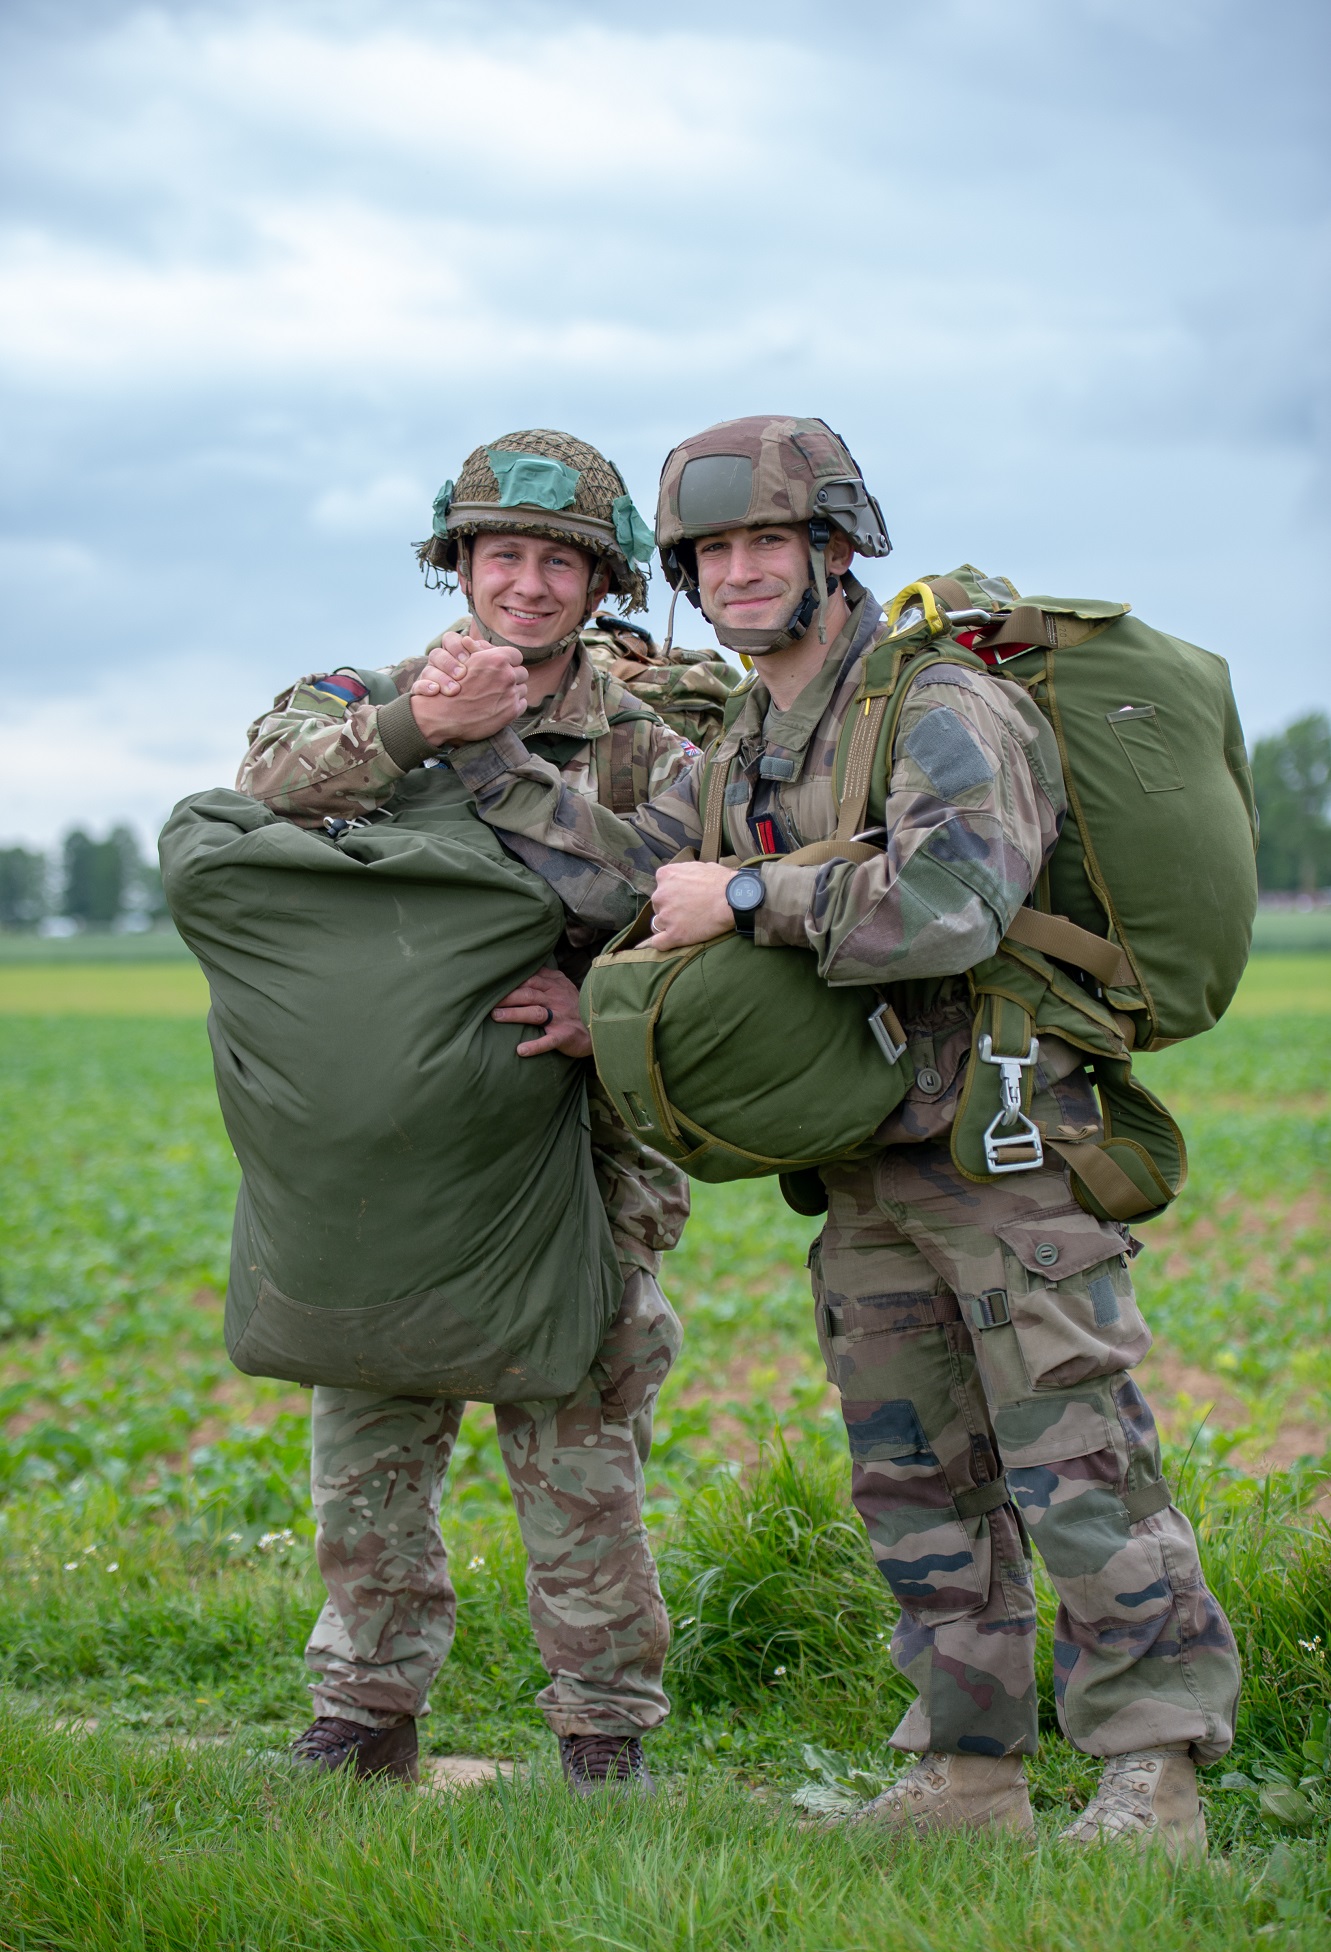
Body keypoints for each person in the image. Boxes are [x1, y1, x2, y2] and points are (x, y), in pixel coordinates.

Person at [428, 414, 1242, 1850]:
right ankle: (968, 1774)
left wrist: (750, 902)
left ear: (836, 546)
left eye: (767, 543)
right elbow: (639, 868)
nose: (739, 573)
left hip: (1005, 1145)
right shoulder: (746, 732)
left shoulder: (940, 701)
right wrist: (497, 766)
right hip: (869, 1157)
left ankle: (1155, 1769)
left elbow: (955, 904)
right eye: (713, 551)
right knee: (913, 1469)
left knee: (1077, 1459)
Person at [237, 429, 699, 1794]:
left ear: (600, 582)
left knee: (580, 1440)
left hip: (577, 1147)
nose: (532, 584)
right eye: (505, 552)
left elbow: (681, 897)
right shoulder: (368, 699)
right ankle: (363, 1713)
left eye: (562, 562)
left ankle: (604, 1736)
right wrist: (418, 730)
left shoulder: (654, 740)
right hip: (394, 1149)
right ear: (460, 564)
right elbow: (259, 789)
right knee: (368, 1428)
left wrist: (594, 1002)